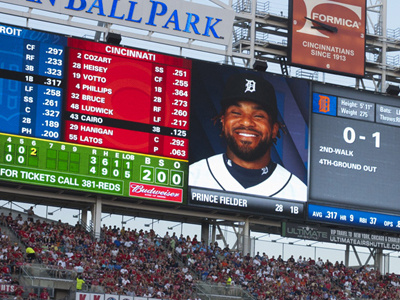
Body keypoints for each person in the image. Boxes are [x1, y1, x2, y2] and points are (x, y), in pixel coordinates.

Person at [189, 73, 306, 201]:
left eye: (258, 116)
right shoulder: (192, 176)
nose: (246, 122)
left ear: (274, 129)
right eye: (236, 113)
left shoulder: (298, 193)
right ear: (223, 122)